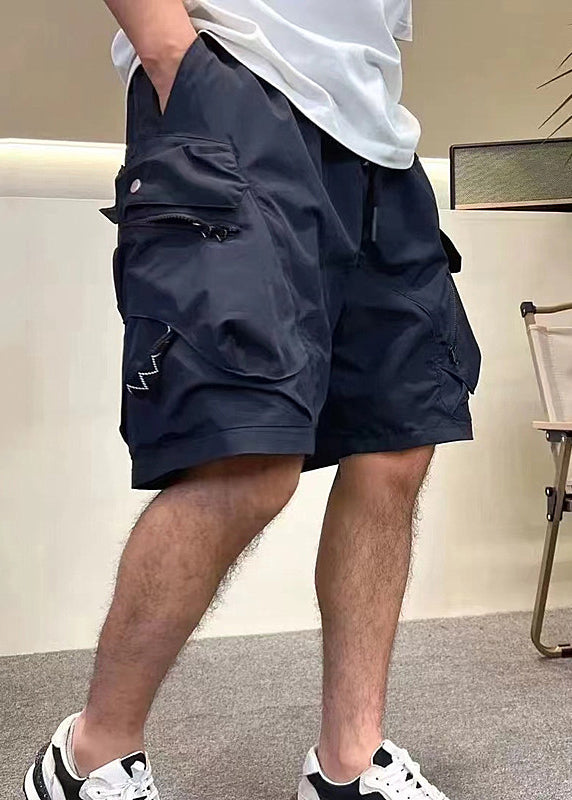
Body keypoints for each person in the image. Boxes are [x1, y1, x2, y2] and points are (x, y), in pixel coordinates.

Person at [23, 1, 481, 799]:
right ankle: (90, 758)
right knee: (247, 459)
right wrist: (174, 54)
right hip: (238, 87)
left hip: (376, 137)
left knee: (396, 446)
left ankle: (349, 764)